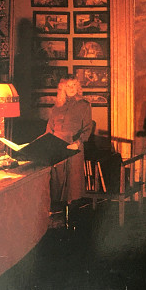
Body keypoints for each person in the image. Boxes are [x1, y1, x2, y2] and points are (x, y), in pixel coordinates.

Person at [46, 77, 92, 210]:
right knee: (56, 184)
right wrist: (46, 145)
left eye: (74, 85)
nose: (71, 88)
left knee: (72, 188)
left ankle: (71, 215)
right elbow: (49, 129)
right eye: (68, 86)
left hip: (73, 146)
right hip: (56, 147)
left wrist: (78, 143)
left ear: (78, 87)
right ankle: (58, 214)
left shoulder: (84, 105)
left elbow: (87, 128)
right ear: (63, 88)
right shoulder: (57, 107)